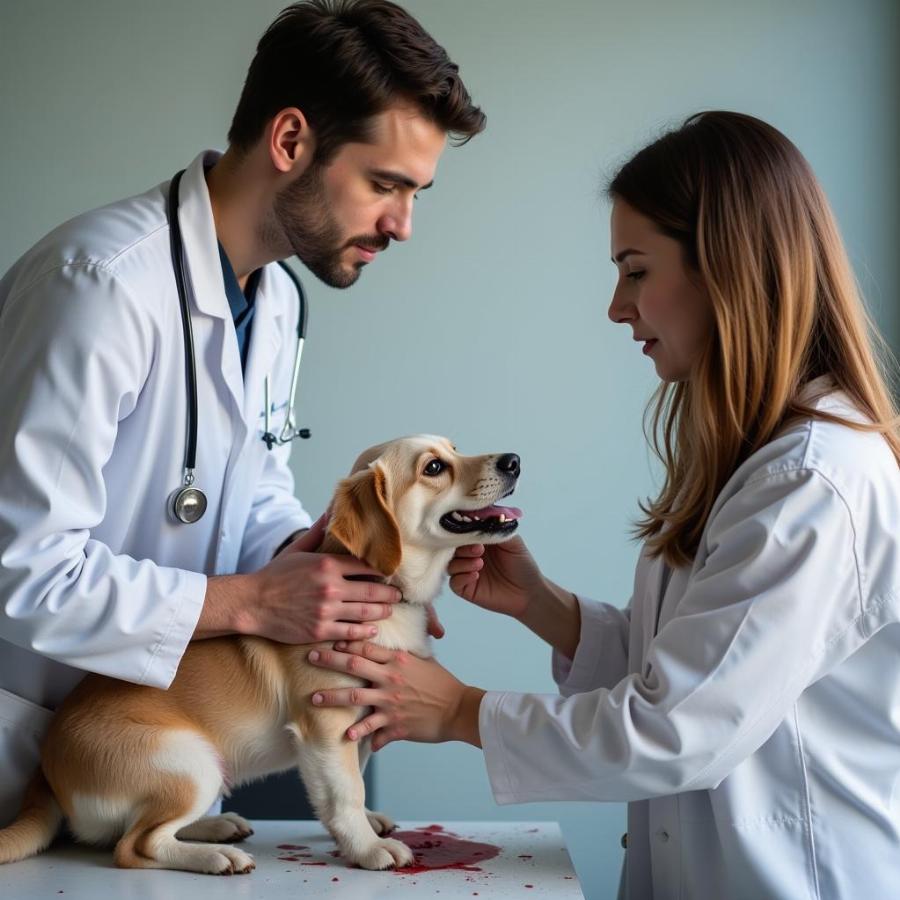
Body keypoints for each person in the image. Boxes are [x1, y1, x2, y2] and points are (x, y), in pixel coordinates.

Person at [307, 111, 900, 899]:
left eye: (635, 270)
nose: (617, 307)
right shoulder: (754, 463)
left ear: (726, 266)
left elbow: (680, 728)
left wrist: (460, 711)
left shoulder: (816, 484)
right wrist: (546, 608)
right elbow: (697, 672)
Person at [0, 0, 484, 825]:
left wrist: (340, 573)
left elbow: (249, 488)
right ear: (290, 142)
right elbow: (22, 567)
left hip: (174, 737)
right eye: (385, 185)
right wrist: (250, 603)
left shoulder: (279, 302)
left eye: (415, 193)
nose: (403, 225)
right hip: (36, 739)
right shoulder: (98, 285)